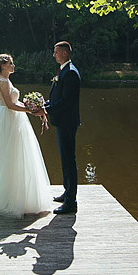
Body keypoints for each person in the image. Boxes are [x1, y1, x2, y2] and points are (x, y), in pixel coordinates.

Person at [0, 54, 53, 217]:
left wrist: (33, 108)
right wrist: (30, 110)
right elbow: (9, 104)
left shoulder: (6, 80)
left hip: (13, 118)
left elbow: (15, 102)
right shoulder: (2, 82)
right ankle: (7, 196)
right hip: (8, 119)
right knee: (8, 156)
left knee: (17, 155)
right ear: (3, 66)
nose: (13, 65)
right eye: (10, 63)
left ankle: (19, 194)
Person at [44, 41, 80, 214]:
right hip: (62, 121)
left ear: (65, 53)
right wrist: (45, 104)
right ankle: (67, 192)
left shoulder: (71, 73)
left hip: (67, 122)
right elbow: (58, 96)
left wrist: (46, 109)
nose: (54, 55)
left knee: (69, 161)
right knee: (65, 160)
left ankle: (71, 202)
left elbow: (67, 101)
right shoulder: (64, 70)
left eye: (56, 52)